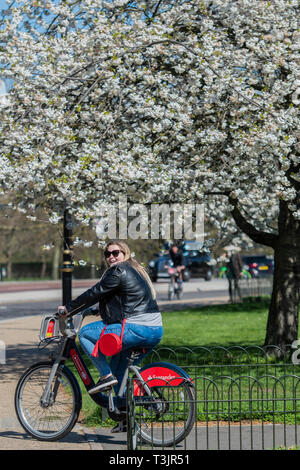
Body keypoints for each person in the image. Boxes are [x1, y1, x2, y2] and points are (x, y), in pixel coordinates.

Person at [57, 240, 163, 431]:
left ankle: (104, 375)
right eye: (107, 254)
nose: (111, 257)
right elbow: (127, 299)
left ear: (125, 253)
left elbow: (95, 292)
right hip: (154, 329)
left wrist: (68, 309)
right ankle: (127, 421)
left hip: (136, 327)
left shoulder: (119, 270)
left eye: (116, 252)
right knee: (119, 372)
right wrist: (98, 310)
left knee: (87, 333)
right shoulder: (134, 269)